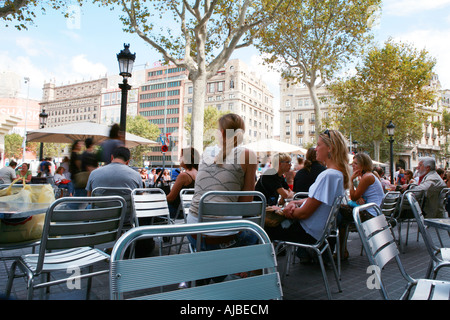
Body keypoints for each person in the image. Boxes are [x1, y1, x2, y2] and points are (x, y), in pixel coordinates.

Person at [264, 129, 350, 255]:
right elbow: (318, 200)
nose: (315, 149)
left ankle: (259, 271)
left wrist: (287, 210)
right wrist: (296, 202)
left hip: (306, 232)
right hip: (318, 232)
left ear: (330, 148)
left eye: (319, 145)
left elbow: (304, 214)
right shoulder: (337, 174)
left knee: (261, 229)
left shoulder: (327, 175)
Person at [187, 113, 258, 252]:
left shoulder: (207, 152)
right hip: (224, 237)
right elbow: (246, 202)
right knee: (257, 236)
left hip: (193, 234)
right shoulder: (248, 155)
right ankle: (241, 270)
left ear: (222, 133)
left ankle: (222, 270)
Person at [338, 153, 385, 260]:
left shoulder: (366, 177)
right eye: (352, 163)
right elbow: (357, 197)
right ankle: (342, 251)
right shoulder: (369, 176)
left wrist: (350, 180)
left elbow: (353, 197)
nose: (353, 165)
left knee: (338, 210)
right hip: (373, 211)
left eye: (355, 163)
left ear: (363, 164)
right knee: (341, 217)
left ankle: (341, 252)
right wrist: (358, 197)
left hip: (369, 214)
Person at [166, 147, 199, 218]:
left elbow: (171, 198)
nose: (179, 159)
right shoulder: (199, 173)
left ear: (187, 159)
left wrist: (158, 199)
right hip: (192, 210)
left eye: (181, 156)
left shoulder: (184, 175)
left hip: (178, 212)